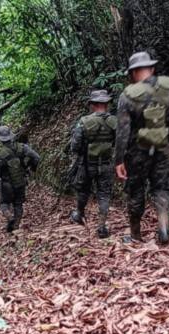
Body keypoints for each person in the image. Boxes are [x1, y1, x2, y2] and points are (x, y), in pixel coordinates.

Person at [114, 52, 169, 244]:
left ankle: (135, 235)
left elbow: (122, 132)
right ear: (152, 68)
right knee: (162, 187)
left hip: (136, 152)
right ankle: (164, 229)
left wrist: (119, 160)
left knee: (135, 190)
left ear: (133, 73)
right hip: (163, 146)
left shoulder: (127, 95)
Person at [70, 90, 117, 238]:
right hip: (106, 163)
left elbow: (75, 146)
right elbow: (120, 142)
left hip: (87, 164)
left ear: (91, 105)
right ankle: (102, 226)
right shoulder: (115, 122)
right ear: (108, 104)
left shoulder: (83, 122)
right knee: (104, 194)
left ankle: (80, 213)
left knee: (82, 189)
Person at [0, 126, 41, 233]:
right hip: (20, 181)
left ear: (0, 140)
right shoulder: (23, 148)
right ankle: (16, 225)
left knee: (3, 203)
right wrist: (31, 168)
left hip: (6, 184)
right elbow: (36, 157)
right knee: (18, 203)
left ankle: (9, 218)